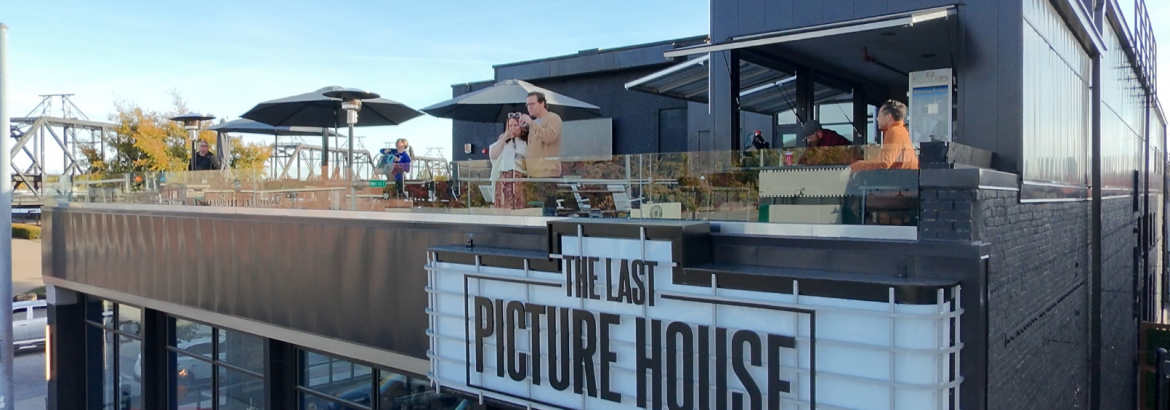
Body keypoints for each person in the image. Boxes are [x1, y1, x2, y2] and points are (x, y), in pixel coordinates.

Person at [851, 100, 919, 171]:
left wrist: (854, 167)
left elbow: (884, 162)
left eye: (879, 115)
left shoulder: (894, 132)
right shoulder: (901, 131)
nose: (877, 119)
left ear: (888, 117)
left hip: (901, 179)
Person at [518, 92, 562, 178]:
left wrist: (531, 123)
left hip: (548, 173)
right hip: (533, 173)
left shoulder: (554, 118)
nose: (529, 107)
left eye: (532, 104)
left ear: (542, 104)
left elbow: (549, 137)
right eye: (527, 105)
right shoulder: (534, 123)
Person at [489, 113, 529, 209]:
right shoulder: (504, 142)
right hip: (504, 181)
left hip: (521, 180)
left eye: (515, 125)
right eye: (510, 126)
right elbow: (493, 156)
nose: (512, 128)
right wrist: (503, 139)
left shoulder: (526, 142)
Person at [796, 120, 860, 166]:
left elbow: (823, 159)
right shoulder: (814, 142)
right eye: (807, 138)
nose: (808, 141)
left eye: (809, 137)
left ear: (819, 133)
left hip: (851, 167)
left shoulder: (831, 138)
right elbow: (807, 157)